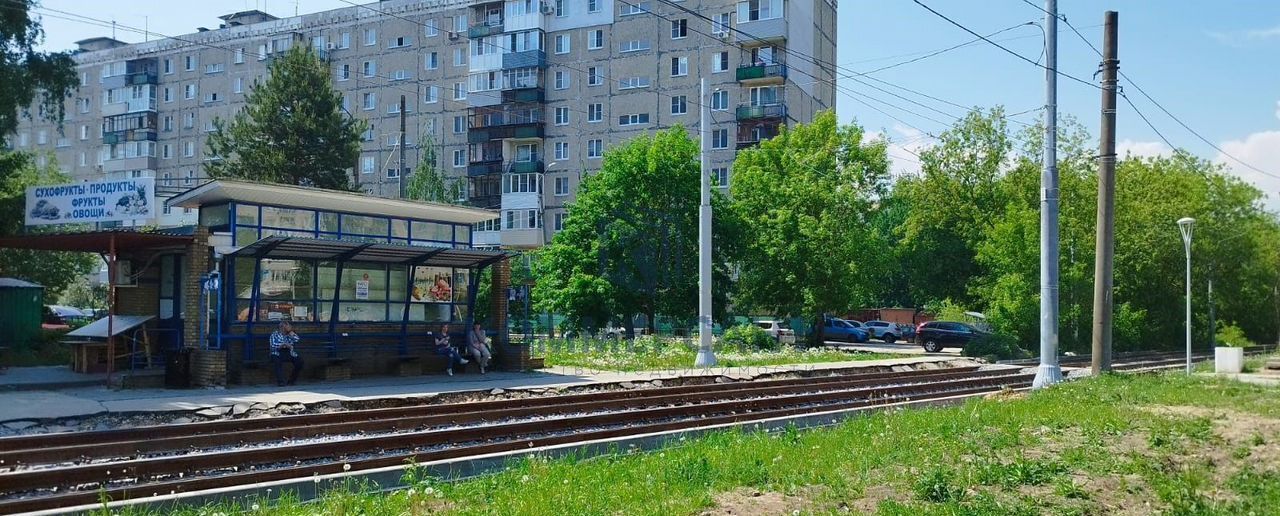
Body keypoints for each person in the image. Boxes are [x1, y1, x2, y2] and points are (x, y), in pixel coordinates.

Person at [269, 321, 303, 386]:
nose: (290, 327)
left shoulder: (290, 334)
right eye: (288, 326)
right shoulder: (274, 334)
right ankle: (280, 382)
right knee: (277, 361)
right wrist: (283, 345)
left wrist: (290, 332)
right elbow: (273, 345)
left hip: (288, 352)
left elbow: (297, 339)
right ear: (283, 327)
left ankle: (291, 381)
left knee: (300, 361)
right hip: (277, 352)